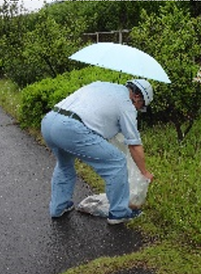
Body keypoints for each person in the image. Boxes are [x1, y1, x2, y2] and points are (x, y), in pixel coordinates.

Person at [41, 79, 154, 225]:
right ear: (138, 96)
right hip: (71, 129)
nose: (139, 109)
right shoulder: (126, 104)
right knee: (117, 162)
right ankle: (119, 213)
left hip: (50, 121)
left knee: (64, 165)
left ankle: (58, 207)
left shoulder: (101, 85)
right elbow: (134, 144)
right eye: (141, 106)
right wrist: (144, 172)